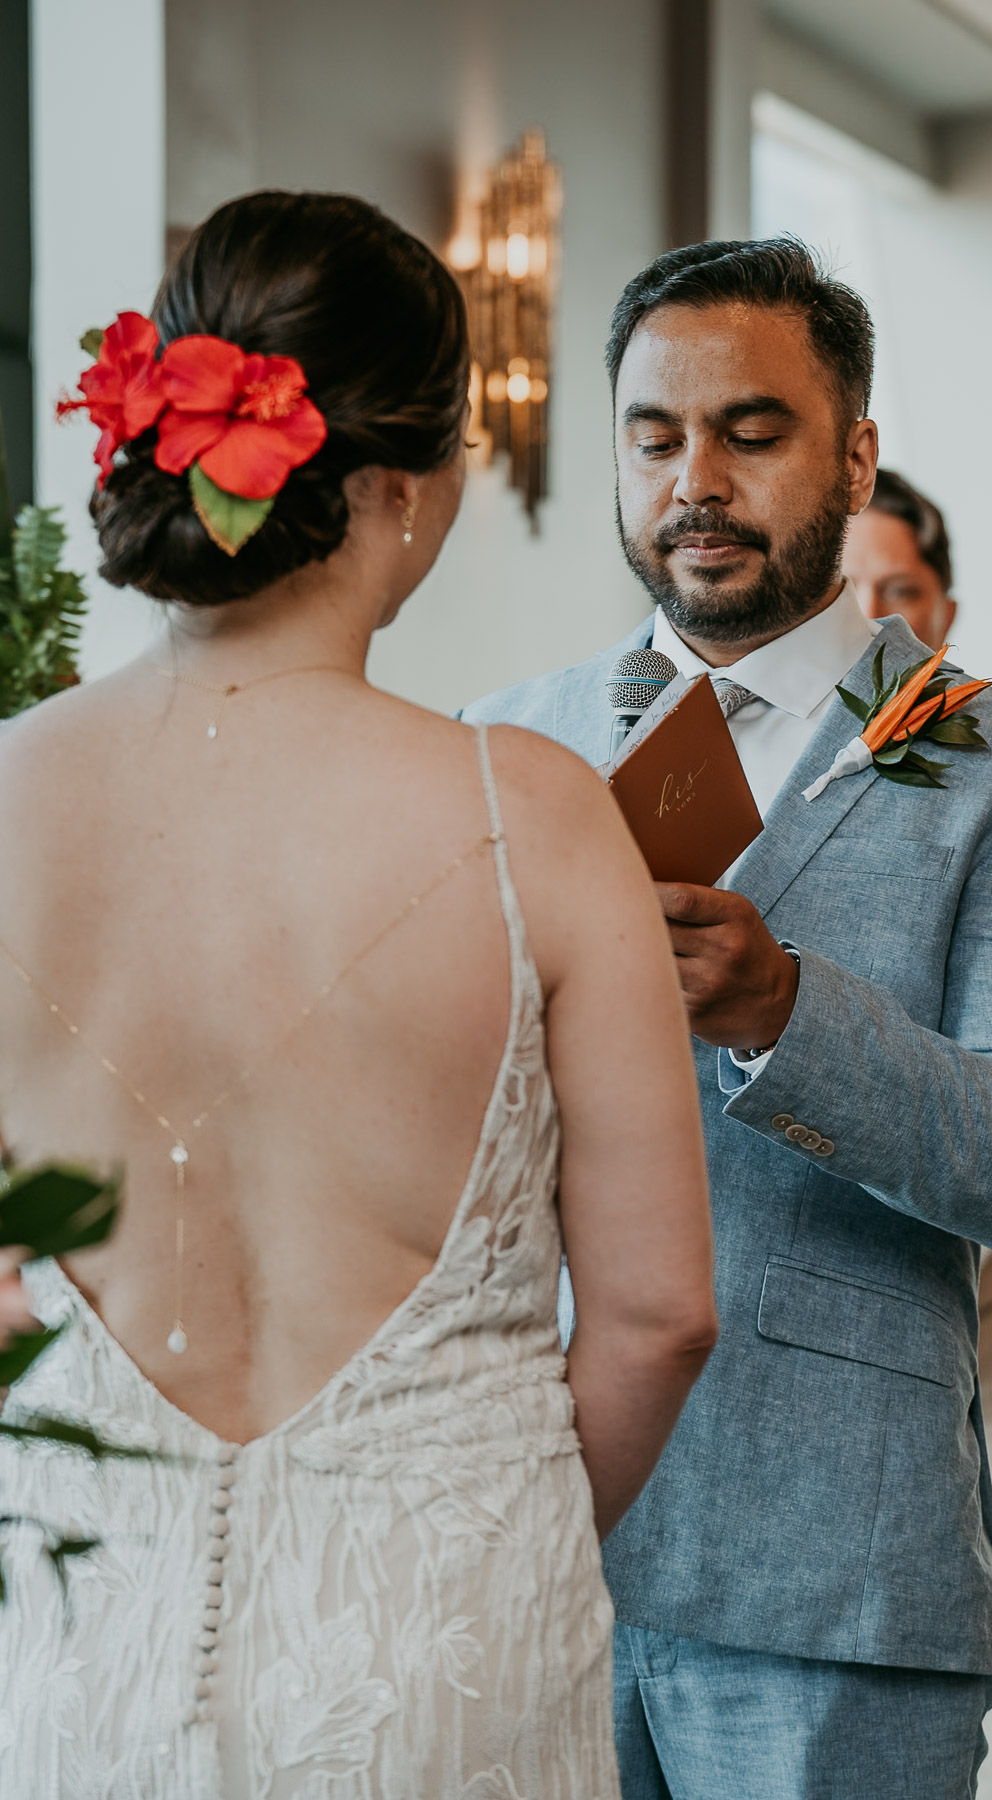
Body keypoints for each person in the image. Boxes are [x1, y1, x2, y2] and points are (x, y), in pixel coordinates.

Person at [0, 191, 718, 1798]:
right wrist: (486, 1513)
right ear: (405, 484)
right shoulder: (531, 813)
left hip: (70, 1645)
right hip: (445, 1647)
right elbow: (663, 1315)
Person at [464, 238, 992, 1800]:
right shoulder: (500, 745)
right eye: (653, 437)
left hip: (834, 1578)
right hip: (519, 1542)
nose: (695, 478)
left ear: (855, 452)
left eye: (750, 432)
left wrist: (782, 1009)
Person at [845, 469, 992, 1800]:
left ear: (943, 615)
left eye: (902, 597)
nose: (877, 626)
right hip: (847, 1313)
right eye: (852, 599)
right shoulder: (776, 782)